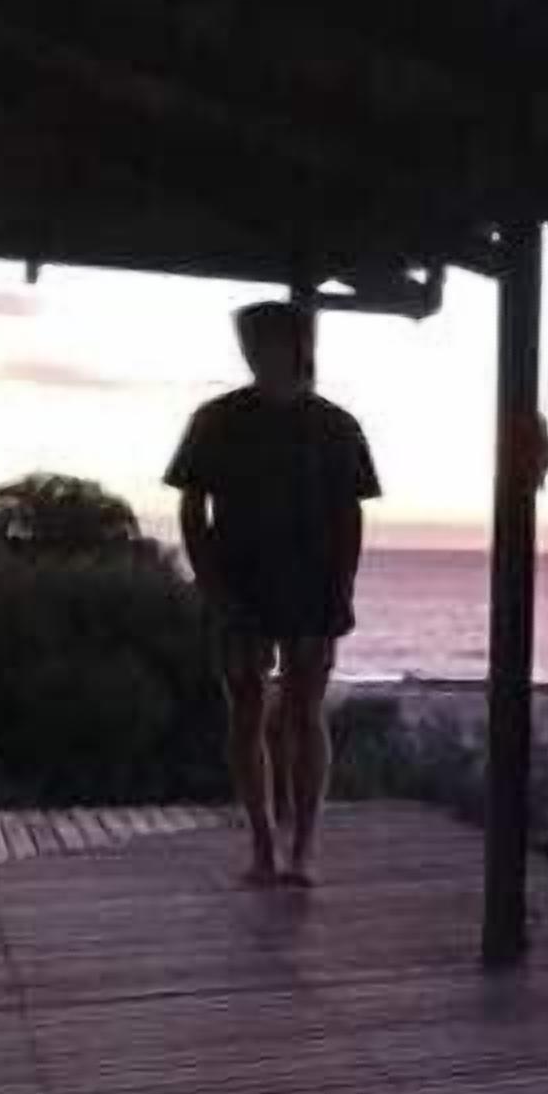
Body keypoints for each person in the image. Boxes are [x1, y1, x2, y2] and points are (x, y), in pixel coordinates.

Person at [166, 300, 379, 888]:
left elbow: (350, 515)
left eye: (268, 341)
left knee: (306, 714)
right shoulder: (216, 418)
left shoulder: (335, 425)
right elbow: (190, 506)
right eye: (250, 342)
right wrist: (212, 586)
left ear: (296, 345)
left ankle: (305, 847)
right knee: (246, 714)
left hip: (313, 587)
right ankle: (262, 845)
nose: (258, 353)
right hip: (240, 587)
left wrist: (342, 589)